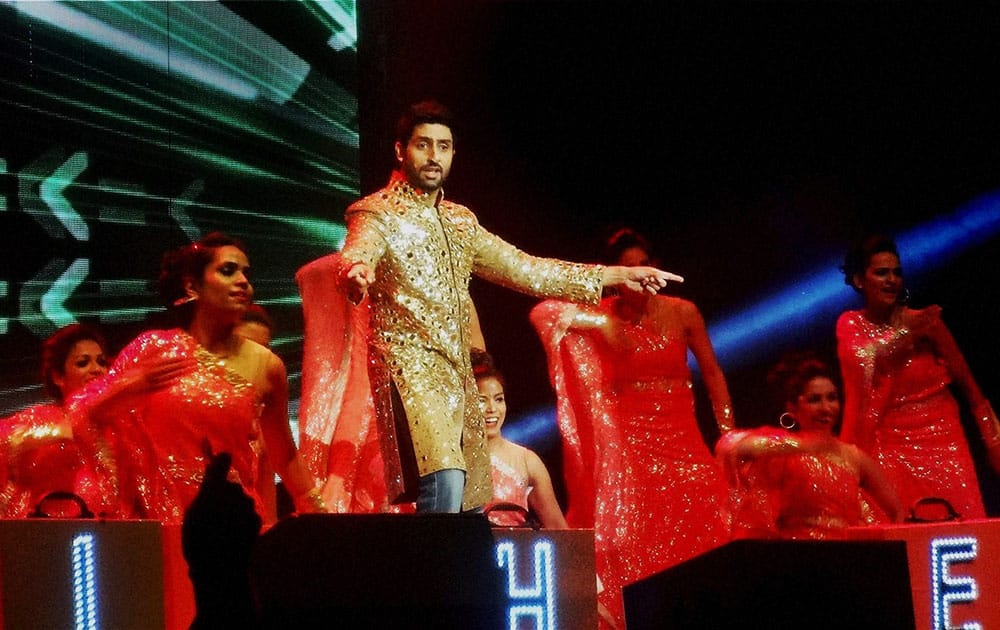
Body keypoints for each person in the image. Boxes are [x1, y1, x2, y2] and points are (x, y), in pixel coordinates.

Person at [335, 100, 681, 514]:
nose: (434, 157)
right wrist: (355, 273)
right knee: (443, 479)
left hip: (458, 375)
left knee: (465, 496)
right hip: (410, 371)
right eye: (423, 145)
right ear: (400, 151)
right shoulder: (376, 212)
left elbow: (526, 269)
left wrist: (613, 276)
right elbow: (358, 252)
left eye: (443, 147)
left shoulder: (460, 221)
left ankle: (446, 572)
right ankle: (434, 573)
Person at [529, 227, 731, 627]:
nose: (639, 276)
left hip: (682, 439)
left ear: (656, 267)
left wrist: (726, 433)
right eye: (627, 270)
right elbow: (542, 312)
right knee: (638, 537)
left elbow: (713, 374)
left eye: (643, 266)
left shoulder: (683, 311)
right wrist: (599, 324)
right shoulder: (604, 314)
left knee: (704, 524)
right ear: (617, 278)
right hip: (630, 446)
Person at [76, 232, 326, 523]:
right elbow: (84, 412)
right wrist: (130, 387)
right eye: (228, 270)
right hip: (158, 522)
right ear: (192, 286)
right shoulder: (153, 349)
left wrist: (320, 513)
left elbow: (285, 456)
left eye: (246, 273)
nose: (243, 281)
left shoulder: (267, 366)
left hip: (232, 521)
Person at [836, 234, 1000, 520]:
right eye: (881, 273)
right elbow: (861, 360)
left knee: (959, 525)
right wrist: (904, 333)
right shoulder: (851, 324)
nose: (891, 280)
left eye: (897, 273)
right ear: (860, 280)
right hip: (887, 441)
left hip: (943, 438)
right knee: (903, 528)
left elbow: (968, 383)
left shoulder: (926, 323)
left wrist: (992, 437)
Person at [716, 352, 904, 540]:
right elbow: (732, 447)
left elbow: (896, 511)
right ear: (792, 407)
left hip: (847, 557)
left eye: (832, 398)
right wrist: (803, 445)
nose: (826, 408)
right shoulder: (781, 452)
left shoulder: (854, 457)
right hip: (798, 557)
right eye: (815, 399)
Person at [0, 323, 116, 517]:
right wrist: (61, 431)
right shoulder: (40, 419)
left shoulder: (120, 427)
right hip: (46, 534)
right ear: (58, 376)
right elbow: (6, 441)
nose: (96, 369)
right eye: (83, 363)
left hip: (113, 535)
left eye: (101, 362)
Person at [471, 349, 568, 529]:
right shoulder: (454, 461)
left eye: (499, 399)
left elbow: (558, 529)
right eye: (482, 400)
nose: (492, 408)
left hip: (514, 554)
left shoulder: (526, 460)